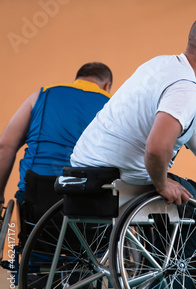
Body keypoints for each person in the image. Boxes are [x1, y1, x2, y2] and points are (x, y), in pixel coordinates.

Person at [71, 15, 196, 224]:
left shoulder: (159, 66)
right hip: (117, 179)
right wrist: (162, 184)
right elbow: (156, 148)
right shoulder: (185, 88)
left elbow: (195, 135)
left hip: (82, 169)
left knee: (168, 188)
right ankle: (174, 258)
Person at [0, 62, 113, 233]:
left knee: (36, 249)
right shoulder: (112, 105)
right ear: (107, 86)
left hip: (36, 197)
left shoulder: (43, 94)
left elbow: (5, 146)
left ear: (77, 80)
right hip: (90, 201)